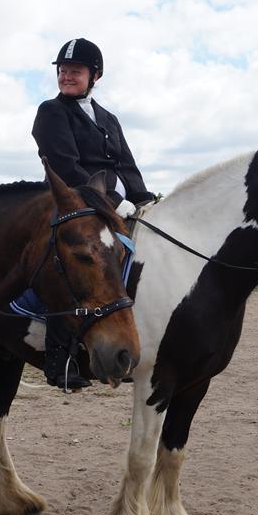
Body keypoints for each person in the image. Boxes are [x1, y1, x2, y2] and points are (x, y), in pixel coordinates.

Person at [31, 38, 156, 390]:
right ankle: (61, 355)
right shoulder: (51, 112)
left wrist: (143, 200)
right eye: (62, 70)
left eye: (75, 71)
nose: (66, 76)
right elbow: (65, 166)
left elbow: (127, 165)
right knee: (73, 260)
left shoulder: (108, 118)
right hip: (72, 201)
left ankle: (126, 337)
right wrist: (111, 204)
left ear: (95, 75)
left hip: (113, 203)